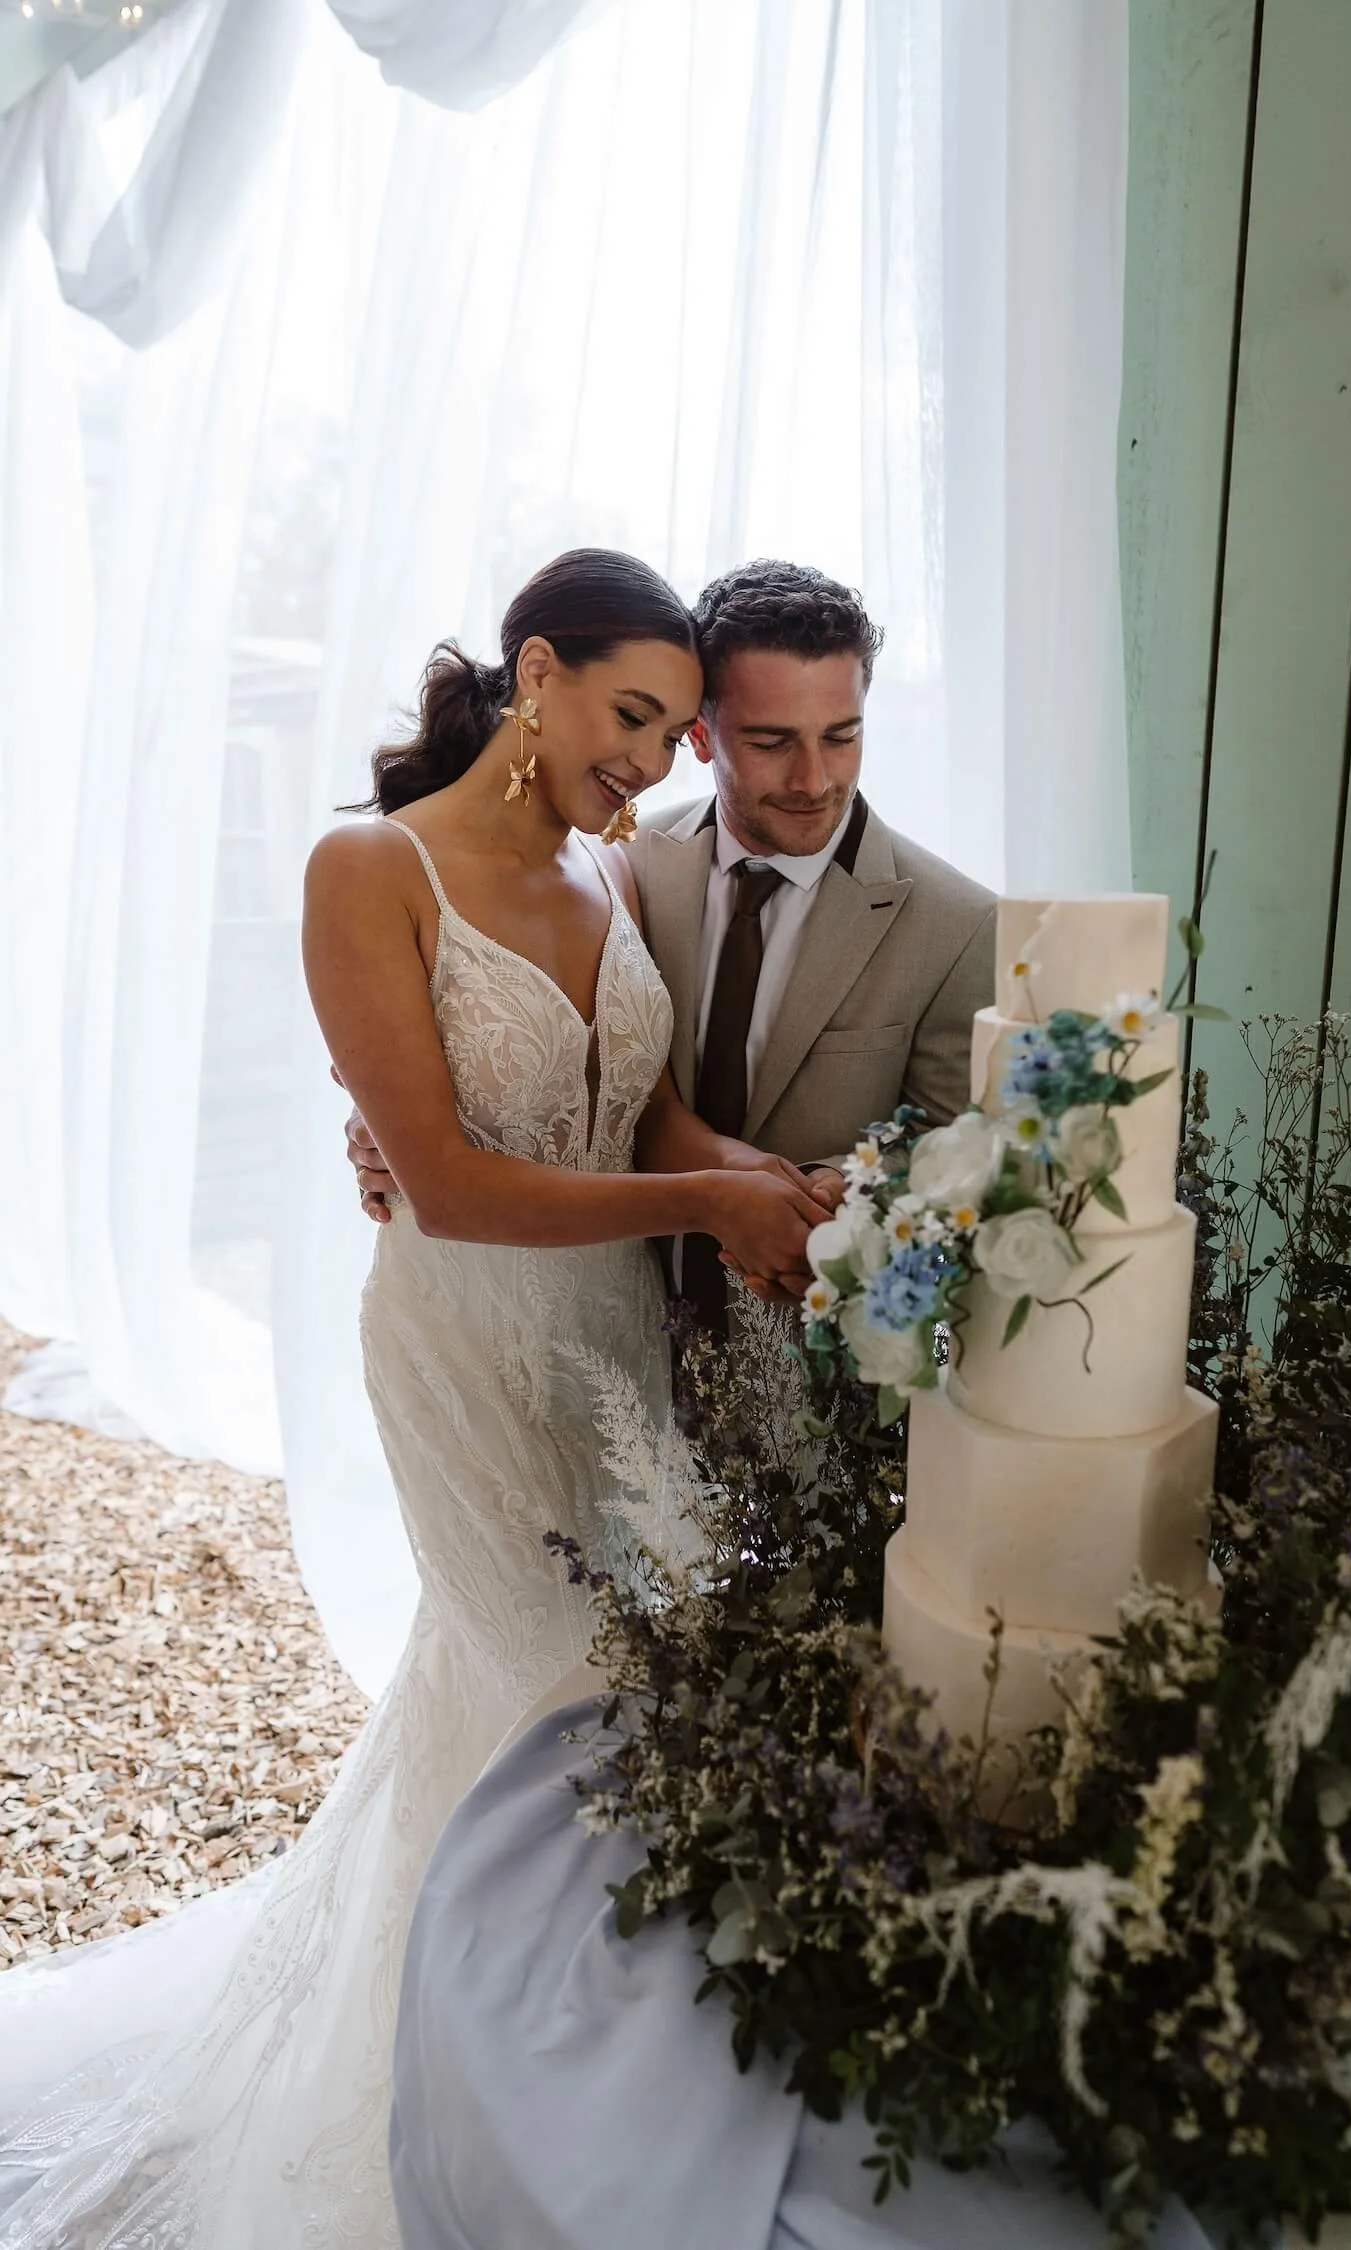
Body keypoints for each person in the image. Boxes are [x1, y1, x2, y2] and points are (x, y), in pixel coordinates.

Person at [0, 549, 826, 2250]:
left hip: (612, 1353)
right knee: (567, 1698)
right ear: (538, 672)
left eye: (676, 734)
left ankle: (517, 2075)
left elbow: (642, 1114)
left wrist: (776, 1184)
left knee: (566, 1708)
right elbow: (440, 1182)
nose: (653, 762)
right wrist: (710, 1206)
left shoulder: (611, 877)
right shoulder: (365, 867)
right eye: (632, 715)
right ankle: (502, 2118)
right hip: (461, 1343)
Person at [350, 559, 998, 1327]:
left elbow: (961, 1156)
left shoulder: (960, 925)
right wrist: (406, 1122)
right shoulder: (626, 860)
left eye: (842, 735)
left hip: (812, 1369)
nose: (814, 778)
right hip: (573, 1318)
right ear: (702, 732)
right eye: (770, 741)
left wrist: (810, 1193)